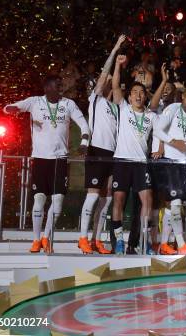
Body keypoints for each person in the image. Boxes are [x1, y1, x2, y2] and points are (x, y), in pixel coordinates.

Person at [4, 75, 90, 254]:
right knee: (39, 199)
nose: (60, 88)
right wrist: (11, 109)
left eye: (61, 85)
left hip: (60, 159)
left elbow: (83, 124)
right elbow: (8, 108)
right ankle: (36, 240)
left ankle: (46, 236)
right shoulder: (35, 102)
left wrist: (84, 142)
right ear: (47, 88)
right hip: (40, 158)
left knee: (58, 202)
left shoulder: (68, 104)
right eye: (56, 85)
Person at [110, 57, 166, 255]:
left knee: (148, 201)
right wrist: (118, 64)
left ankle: (145, 241)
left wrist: (159, 147)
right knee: (118, 200)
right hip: (122, 161)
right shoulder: (124, 110)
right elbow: (115, 85)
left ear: (145, 96)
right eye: (134, 92)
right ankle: (118, 240)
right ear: (129, 96)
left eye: (142, 93)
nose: (138, 96)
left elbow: (161, 133)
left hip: (141, 163)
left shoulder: (151, 115)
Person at [78, 35, 125, 254]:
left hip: (112, 154)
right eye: (105, 82)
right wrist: (115, 49)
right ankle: (82, 238)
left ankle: (96, 239)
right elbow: (106, 74)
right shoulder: (95, 99)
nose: (108, 83)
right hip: (96, 150)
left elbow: (115, 81)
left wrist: (119, 67)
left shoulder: (116, 106)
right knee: (93, 195)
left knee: (106, 200)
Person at [153, 86, 186, 255]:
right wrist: (173, 142)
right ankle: (181, 245)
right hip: (172, 162)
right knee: (174, 204)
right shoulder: (172, 108)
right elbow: (158, 129)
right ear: (183, 96)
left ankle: (181, 243)